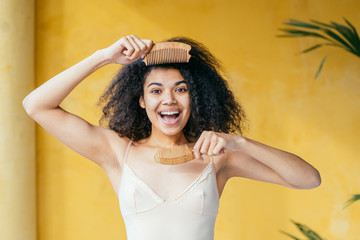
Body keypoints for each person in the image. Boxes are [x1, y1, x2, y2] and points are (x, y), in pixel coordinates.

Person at [23, 35, 321, 240]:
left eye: (181, 89)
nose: (169, 100)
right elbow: (36, 105)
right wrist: (103, 57)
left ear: (196, 97)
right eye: (156, 90)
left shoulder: (218, 158)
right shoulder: (117, 152)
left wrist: (239, 142)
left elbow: (309, 179)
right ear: (141, 100)